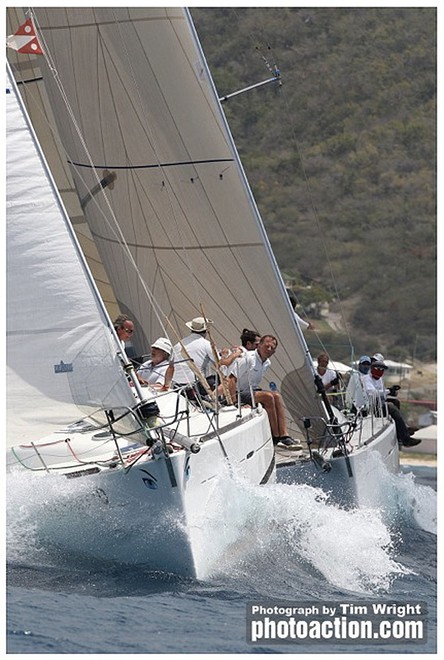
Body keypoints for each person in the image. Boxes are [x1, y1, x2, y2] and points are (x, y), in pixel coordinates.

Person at [227, 335, 301, 449]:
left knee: (276, 395)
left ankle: (284, 435)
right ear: (259, 345)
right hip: (237, 394)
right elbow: (231, 380)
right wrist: (234, 403)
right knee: (268, 397)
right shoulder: (248, 358)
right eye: (267, 346)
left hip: (251, 391)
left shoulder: (267, 363)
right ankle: (275, 436)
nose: (269, 349)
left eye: (272, 348)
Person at [172, 316, 242, 392]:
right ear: (206, 331)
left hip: (176, 385)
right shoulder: (207, 344)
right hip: (194, 386)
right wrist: (235, 354)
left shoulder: (178, 344)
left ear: (192, 329)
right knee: (226, 378)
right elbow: (223, 363)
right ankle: (220, 400)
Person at [362, 360, 421, 448]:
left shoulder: (379, 380)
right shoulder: (367, 379)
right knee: (391, 407)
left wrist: (391, 391)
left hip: (379, 403)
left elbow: (383, 394)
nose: (380, 371)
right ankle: (406, 440)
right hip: (371, 407)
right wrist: (388, 391)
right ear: (372, 369)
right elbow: (371, 393)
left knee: (395, 402)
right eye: (377, 368)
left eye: (382, 369)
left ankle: (402, 429)